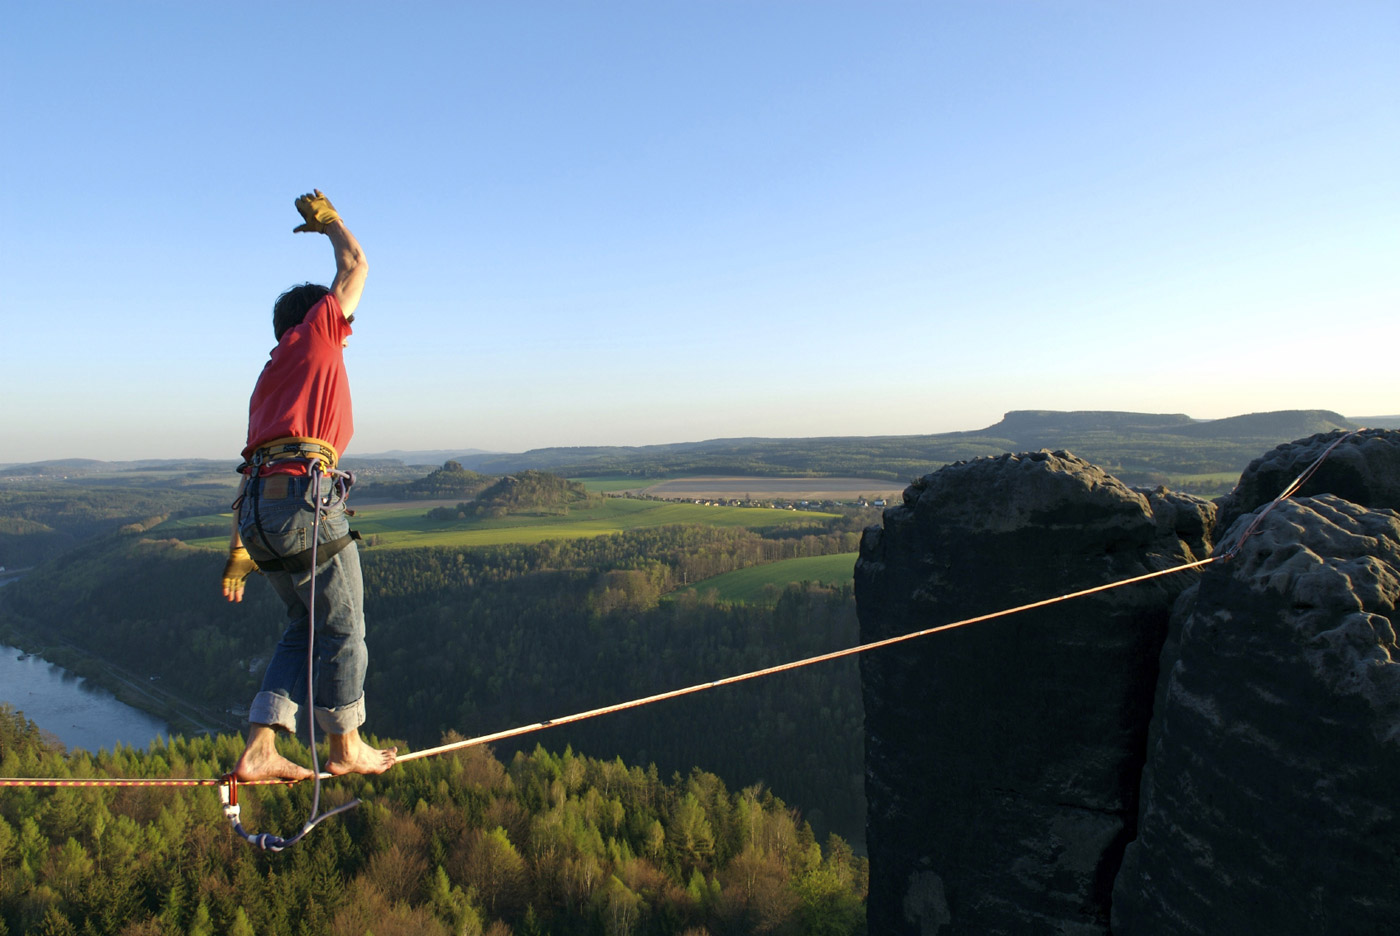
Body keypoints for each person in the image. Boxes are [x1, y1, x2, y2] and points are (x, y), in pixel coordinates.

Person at [220, 190, 395, 782]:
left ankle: (261, 747)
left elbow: (254, 471)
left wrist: (238, 557)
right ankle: (347, 746)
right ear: (319, 316)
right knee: (345, 625)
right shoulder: (317, 333)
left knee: (305, 625)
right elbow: (356, 266)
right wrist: (332, 223)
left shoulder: (270, 377)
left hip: (260, 514)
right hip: (304, 504)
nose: (347, 324)